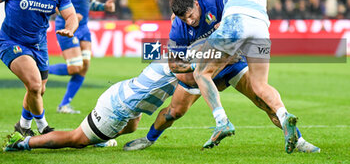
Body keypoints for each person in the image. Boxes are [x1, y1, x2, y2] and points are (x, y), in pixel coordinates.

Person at [123, 0, 320, 153]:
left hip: (231, 63)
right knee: (172, 114)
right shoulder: (178, 27)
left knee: (263, 102)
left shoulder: (215, 1)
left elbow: (241, 16)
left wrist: (227, 23)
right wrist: (198, 64)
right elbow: (174, 65)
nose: (190, 21)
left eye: (192, 15)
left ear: (197, 4)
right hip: (200, 73)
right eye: (185, 19)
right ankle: (149, 139)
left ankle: (300, 141)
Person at [182, 0, 299, 153]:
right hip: (261, 28)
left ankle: (222, 121)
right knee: (260, 85)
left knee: (201, 73)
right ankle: (284, 115)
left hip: (236, 22)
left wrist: (176, 10)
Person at [3, 59, 244, 152]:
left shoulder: (177, 54)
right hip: (116, 109)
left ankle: (104, 137)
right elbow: (195, 79)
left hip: (120, 93)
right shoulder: (184, 69)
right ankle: (25, 142)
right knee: (76, 139)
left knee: (131, 127)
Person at [0, 0, 78, 136]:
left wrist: (70, 28)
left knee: (39, 90)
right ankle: (43, 127)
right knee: (34, 84)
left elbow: (71, 15)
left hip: (39, 44)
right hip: (11, 41)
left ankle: (23, 126)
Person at [48, 0, 115, 114]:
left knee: (84, 67)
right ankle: (41, 67)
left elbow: (89, 2)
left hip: (84, 27)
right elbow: (50, 0)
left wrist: (104, 7)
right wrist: (67, 16)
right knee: (75, 67)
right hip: (67, 27)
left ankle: (64, 105)